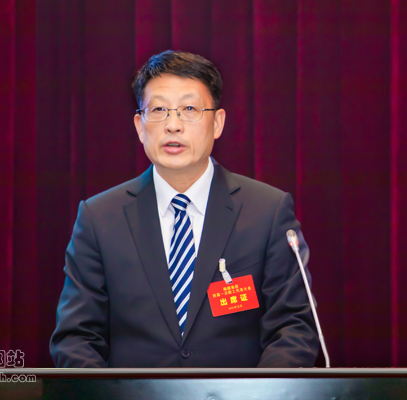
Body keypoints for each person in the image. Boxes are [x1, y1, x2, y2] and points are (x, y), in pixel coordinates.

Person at [50, 50, 319, 368]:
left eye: (189, 109)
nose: (173, 125)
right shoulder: (99, 218)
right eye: (159, 110)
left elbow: (294, 329)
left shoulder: (267, 212)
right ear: (139, 126)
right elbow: (76, 338)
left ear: (217, 123)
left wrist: (255, 392)